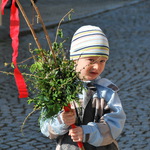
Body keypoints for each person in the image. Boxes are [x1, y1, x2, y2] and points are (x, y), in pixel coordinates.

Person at [40, 25, 126, 150]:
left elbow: (115, 124)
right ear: (75, 59)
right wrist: (62, 120)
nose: (97, 67)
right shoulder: (59, 90)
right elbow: (46, 128)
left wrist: (87, 132)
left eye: (102, 61)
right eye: (91, 60)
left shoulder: (106, 91)